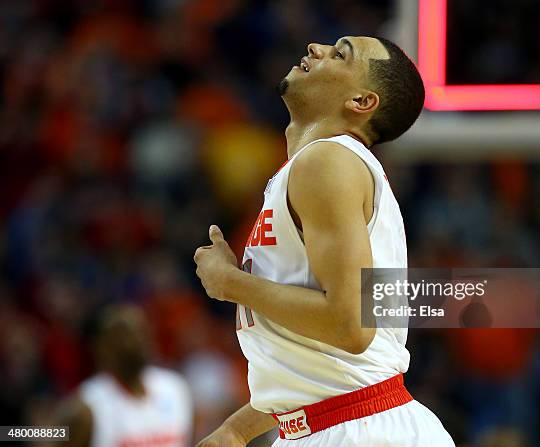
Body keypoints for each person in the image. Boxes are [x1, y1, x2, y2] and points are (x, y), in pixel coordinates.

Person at [193, 36, 455, 446]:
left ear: (362, 102)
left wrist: (230, 283)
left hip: (360, 429)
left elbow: (349, 325)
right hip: (338, 422)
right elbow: (323, 361)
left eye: (340, 54)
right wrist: (236, 430)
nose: (317, 47)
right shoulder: (317, 167)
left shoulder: (328, 161)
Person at [54, 304, 193, 447]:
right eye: (125, 334)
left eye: (142, 330)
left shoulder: (175, 388)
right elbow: (37, 433)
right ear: (100, 347)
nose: (138, 340)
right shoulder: (86, 408)